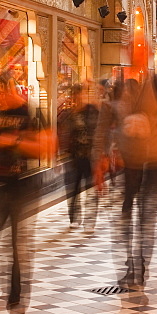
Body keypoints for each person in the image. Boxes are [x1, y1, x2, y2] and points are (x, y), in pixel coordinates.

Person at [94, 73, 157, 289]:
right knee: (124, 219)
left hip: (154, 164)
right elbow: (103, 124)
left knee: (147, 220)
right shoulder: (117, 87)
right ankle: (130, 264)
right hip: (126, 165)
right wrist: (99, 159)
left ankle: (139, 270)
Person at [0, 73, 46, 314]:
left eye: (1, 89)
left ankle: (16, 298)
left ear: (11, 87)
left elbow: (42, 148)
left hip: (21, 184)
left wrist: (16, 141)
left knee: (16, 245)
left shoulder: (26, 112)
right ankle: (7, 292)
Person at [57, 84, 99, 230]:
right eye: (75, 95)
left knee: (90, 188)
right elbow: (62, 133)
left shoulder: (91, 111)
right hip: (73, 156)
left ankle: (90, 220)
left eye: (80, 95)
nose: (78, 98)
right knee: (73, 188)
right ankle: (74, 217)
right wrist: (59, 154)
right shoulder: (68, 114)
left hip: (90, 155)